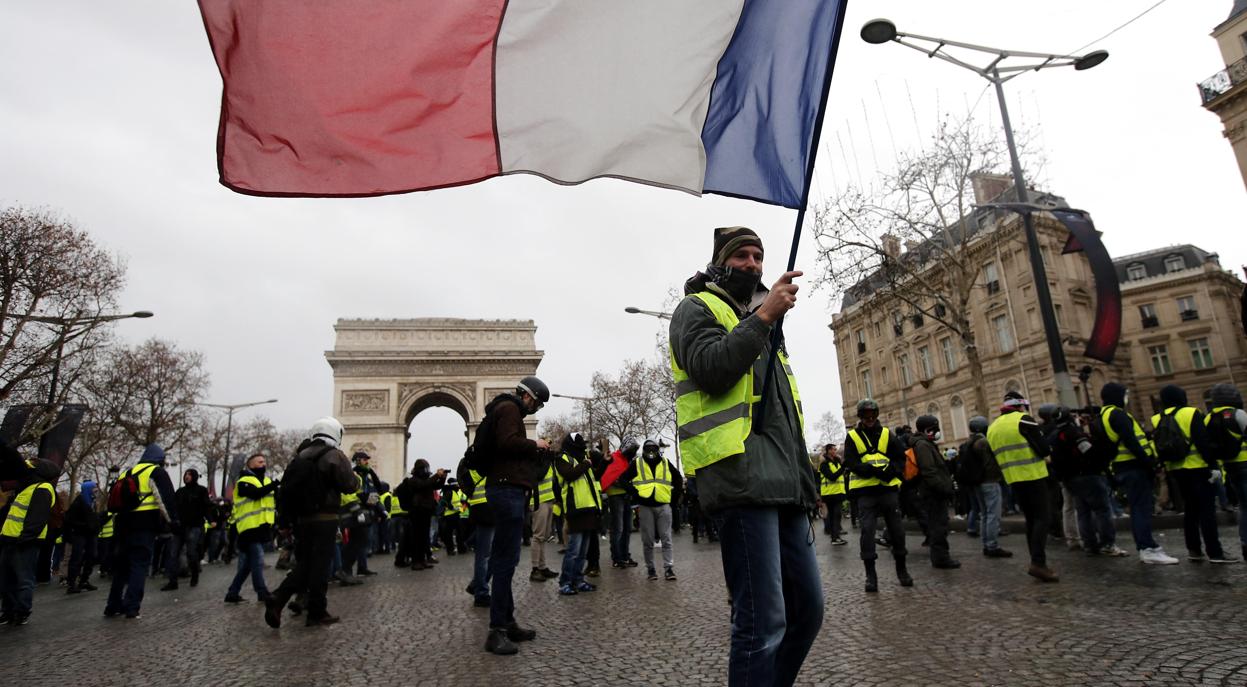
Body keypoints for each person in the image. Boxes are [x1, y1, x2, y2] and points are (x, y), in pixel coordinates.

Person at [668, 226, 822, 686]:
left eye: (758, 256)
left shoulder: (765, 322)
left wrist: (807, 483)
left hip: (786, 485)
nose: (753, 264)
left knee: (808, 612)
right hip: (740, 477)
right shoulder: (694, 309)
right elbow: (713, 370)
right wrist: (764, 318)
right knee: (762, 622)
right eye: (742, 256)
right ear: (720, 262)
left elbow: (784, 415)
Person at [478, 376, 551, 656]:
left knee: (506, 558)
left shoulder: (503, 409)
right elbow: (508, 443)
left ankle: (507, 622)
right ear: (529, 396)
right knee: (504, 561)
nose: (536, 409)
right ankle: (496, 629)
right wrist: (536, 445)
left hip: (507, 489)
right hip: (506, 490)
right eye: (538, 404)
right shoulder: (509, 410)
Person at [266, 418, 359, 628]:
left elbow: (286, 490)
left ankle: (280, 598)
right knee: (320, 566)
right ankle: (315, 611)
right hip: (325, 518)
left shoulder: (300, 456)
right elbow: (349, 485)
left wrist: (285, 521)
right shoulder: (334, 455)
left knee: (307, 563)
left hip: (302, 520)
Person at [1152, 384, 1237, 564]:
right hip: (1198, 468)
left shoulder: (1157, 418)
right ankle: (1215, 552)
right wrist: (1213, 466)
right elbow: (1202, 442)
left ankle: (1194, 550)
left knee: (1190, 511)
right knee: (1207, 511)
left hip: (1176, 470)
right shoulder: (1191, 413)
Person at [1097, 383, 1179, 565]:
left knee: (1137, 509)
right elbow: (1132, 442)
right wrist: (1150, 464)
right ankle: (1148, 548)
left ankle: (1146, 547)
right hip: (1134, 468)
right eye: (1124, 394)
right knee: (1142, 509)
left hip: (1121, 467)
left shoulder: (1103, 416)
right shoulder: (1118, 414)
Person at [987, 391, 1057, 582]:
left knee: (1031, 521)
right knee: (1042, 518)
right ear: (1020, 406)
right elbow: (1043, 449)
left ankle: (1036, 561)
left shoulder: (993, 428)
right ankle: (1038, 562)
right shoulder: (1024, 420)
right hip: (1034, 475)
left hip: (1013, 479)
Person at [105, 444, 179, 619]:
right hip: (144, 525)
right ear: (160, 459)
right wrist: (173, 522)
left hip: (122, 525)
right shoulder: (156, 472)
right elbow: (165, 499)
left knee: (121, 568)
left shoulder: (127, 473)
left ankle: (112, 605)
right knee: (139, 565)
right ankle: (132, 607)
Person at [845, 399, 911, 592]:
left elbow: (900, 457)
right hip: (866, 492)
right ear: (860, 417)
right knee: (867, 531)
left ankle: (902, 569)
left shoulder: (886, 434)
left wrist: (891, 471)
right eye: (866, 415)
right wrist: (871, 470)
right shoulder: (852, 437)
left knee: (897, 531)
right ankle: (870, 576)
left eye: (873, 415)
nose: (870, 418)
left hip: (887, 489)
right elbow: (851, 462)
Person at [1045, 406, 1125, 557]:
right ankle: (1107, 544)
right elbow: (1089, 451)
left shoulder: (1054, 436)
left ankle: (1089, 544)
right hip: (1087, 476)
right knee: (1102, 510)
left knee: (1082, 512)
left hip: (1069, 479)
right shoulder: (1074, 433)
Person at [0, 452, 61, 625]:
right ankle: (8, 611)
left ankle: (21, 611)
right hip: (9, 540)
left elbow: (37, 518)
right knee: (7, 579)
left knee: (23, 579)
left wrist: (24, 538)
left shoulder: (42, 489)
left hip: (24, 543)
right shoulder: (26, 488)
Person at [619, 438, 682, 581]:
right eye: (649, 449)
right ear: (644, 450)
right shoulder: (638, 462)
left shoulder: (665, 462)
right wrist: (635, 493)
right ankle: (651, 569)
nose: (651, 452)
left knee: (666, 538)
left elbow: (678, 478)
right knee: (647, 541)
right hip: (645, 506)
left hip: (663, 505)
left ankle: (669, 568)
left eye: (654, 449)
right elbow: (622, 479)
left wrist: (673, 498)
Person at [552, 433, 601, 595]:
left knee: (582, 551)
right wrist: (586, 464)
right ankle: (565, 582)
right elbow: (569, 475)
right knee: (573, 550)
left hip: (589, 507)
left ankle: (578, 580)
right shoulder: (562, 459)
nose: (583, 448)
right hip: (575, 508)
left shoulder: (582, 459)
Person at [225, 453, 277, 603]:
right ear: (251, 465)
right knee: (258, 560)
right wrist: (275, 484)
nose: (263, 464)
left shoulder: (266, 481)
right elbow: (255, 494)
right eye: (260, 462)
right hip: (248, 528)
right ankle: (262, 592)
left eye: (264, 461)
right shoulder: (244, 481)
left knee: (248, 565)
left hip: (261, 527)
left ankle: (232, 592)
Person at [1206, 383, 1247, 560]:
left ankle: (1245, 544)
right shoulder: (1238, 414)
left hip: (1229, 468)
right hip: (1246, 464)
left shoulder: (1208, 418)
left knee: (1244, 507)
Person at [912, 415, 959, 569]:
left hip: (934, 492)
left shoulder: (926, 444)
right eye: (935, 428)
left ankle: (941, 556)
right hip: (933, 493)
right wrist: (943, 488)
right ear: (928, 430)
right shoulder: (923, 445)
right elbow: (929, 471)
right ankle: (941, 558)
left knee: (939, 524)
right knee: (938, 526)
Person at [163, 469, 212, 590]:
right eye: (185, 474)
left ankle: (194, 574)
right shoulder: (180, 491)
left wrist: (211, 519)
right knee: (173, 554)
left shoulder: (201, 490)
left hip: (194, 525)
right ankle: (172, 581)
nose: (187, 477)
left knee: (191, 552)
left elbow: (207, 506)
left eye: (189, 475)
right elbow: (173, 508)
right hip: (179, 527)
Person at [396, 460, 446, 571]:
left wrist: (442, 477)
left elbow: (437, 486)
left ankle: (422, 560)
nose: (427, 471)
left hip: (426, 511)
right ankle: (416, 561)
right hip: (416, 511)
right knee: (417, 538)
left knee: (424, 538)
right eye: (425, 468)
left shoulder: (425, 480)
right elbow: (424, 485)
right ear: (420, 469)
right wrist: (436, 475)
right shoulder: (413, 480)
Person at [601, 438, 639, 569]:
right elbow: (609, 476)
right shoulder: (615, 458)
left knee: (627, 528)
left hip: (626, 495)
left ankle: (624, 555)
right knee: (618, 528)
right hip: (615, 495)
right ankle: (617, 557)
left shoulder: (627, 460)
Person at [342, 451, 381, 577]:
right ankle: (345, 569)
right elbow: (356, 494)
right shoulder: (353, 474)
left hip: (366, 512)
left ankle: (361, 567)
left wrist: (375, 506)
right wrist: (366, 500)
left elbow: (376, 491)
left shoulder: (367, 476)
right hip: (355, 513)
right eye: (365, 460)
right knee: (355, 542)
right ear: (358, 460)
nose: (367, 462)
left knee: (363, 541)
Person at [461, 462, 494, 608]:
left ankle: (477, 585)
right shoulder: (485, 456)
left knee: (491, 554)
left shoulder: (474, 457)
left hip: (482, 504)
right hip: (487, 505)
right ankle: (480, 592)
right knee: (485, 555)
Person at [64, 480, 101, 594]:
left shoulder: (93, 502)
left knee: (92, 556)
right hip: (80, 534)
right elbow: (69, 519)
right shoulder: (78, 502)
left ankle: (84, 580)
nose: (96, 492)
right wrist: (85, 526)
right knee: (76, 558)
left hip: (91, 534)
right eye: (94, 490)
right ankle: (72, 583)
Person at [527, 461, 559, 582]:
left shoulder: (548, 460)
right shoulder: (536, 459)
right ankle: (535, 569)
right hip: (538, 501)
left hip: (548, 500)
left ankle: (542, 567)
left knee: (544, 537)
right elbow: (539, 475)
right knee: (538, 536)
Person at [817, 444, 847, 546]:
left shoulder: (837, 462)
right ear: (828, 451)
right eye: (834, 449)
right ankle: (835, 537)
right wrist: (842, 468)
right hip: (830, 494)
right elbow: (832, 477)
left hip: (838, 492)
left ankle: (835, 537)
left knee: (835, 516)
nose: (836, 451)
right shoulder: (824, 464)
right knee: (835, 515)